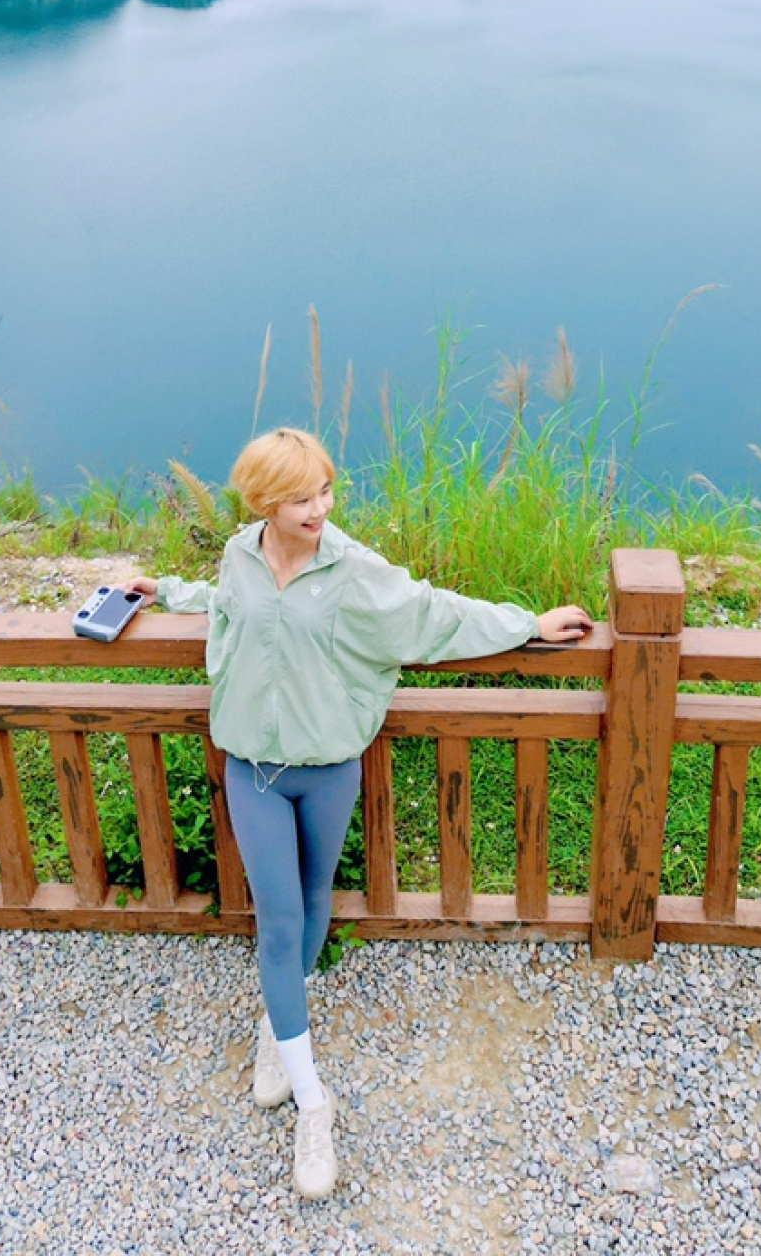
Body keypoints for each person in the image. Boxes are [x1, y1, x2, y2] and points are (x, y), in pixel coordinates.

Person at [130, 425, 591, 1203]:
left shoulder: (352, 570)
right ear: (266, 503)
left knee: (314, 903)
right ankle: (316, 1103)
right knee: (278, 920)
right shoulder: (241, 554)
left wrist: (527, 624)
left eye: (325, 490)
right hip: (254, 767)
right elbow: (232, 608)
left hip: (331, 767)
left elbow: (432, 616)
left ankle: (282, 1033)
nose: (321, 507)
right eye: (301, 497)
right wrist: (166, 593)